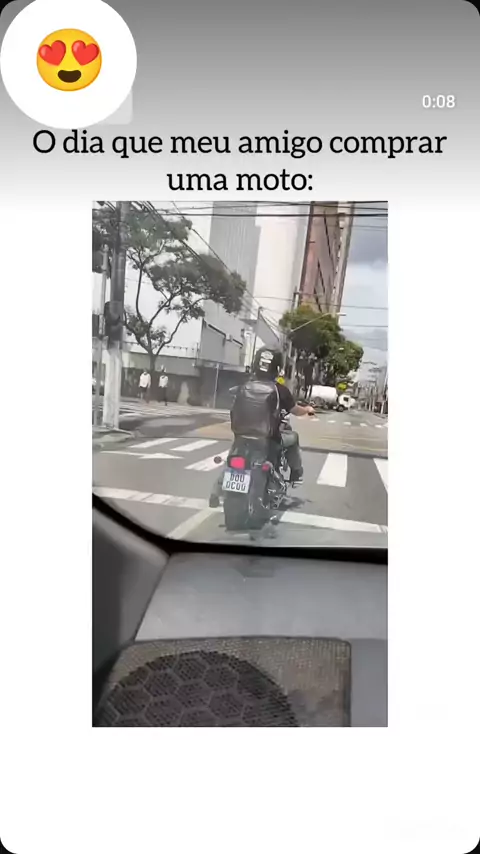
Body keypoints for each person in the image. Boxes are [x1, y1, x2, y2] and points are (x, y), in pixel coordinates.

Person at [209, 348, 315, 507]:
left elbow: (231, 399)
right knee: (293, 437)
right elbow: (295, 410)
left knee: (233, 460)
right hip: (267, 440)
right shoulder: (280, 390)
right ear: (277, 369)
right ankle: (296, 473)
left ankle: (215, 492)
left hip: (241, 436)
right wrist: (307, 409)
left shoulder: (244, 386)